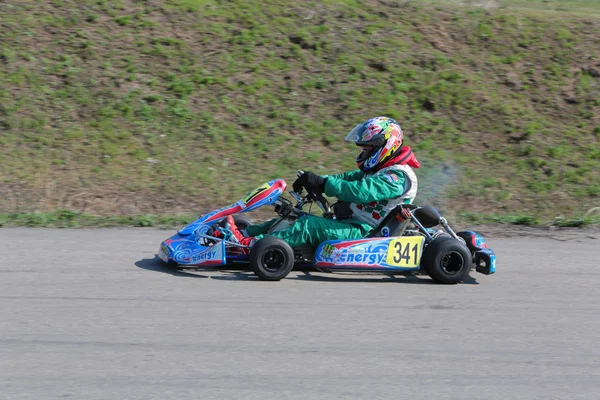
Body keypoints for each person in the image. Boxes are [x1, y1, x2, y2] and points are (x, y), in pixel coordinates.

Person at [220, 116, 420, 248]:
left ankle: (249, 245)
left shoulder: (398, 176)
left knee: (307, 226)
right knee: (293, 217)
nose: (363, 153)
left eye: (367, 149)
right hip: (350, 223)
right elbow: (346, 179)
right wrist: (316, 180)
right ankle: (242, 233)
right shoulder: (380, 169)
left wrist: (325, 186)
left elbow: (361, 191)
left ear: (384, 145)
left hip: (364, 232)